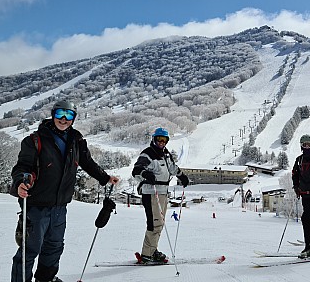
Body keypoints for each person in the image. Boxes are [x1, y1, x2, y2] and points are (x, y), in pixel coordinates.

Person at [10, 100, 119, 282]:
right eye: (60, 113)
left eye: (69, 115)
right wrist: (21, 182)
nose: (63, 119)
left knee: (54, 247)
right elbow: (22, 167)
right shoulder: (34, 140)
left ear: (73, 119)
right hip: (36, 205)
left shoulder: (76, 141)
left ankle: (46, 279)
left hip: (60, 207)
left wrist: (105, 177)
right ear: (53, 114)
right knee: (30, 249)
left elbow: (87, 163)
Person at [132, 127, 189, 263]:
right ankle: (147, 254)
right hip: (151, 192)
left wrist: (182, 176)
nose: (161, 142)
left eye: (164, 140)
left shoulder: (165, 154)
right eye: (159, 139)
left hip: (163, 192)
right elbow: (136, 170)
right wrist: (146, 174)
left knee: (160, 223)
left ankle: (152, 250)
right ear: (154, 139)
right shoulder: (148, 154)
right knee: (155, 223)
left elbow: (172, 168)